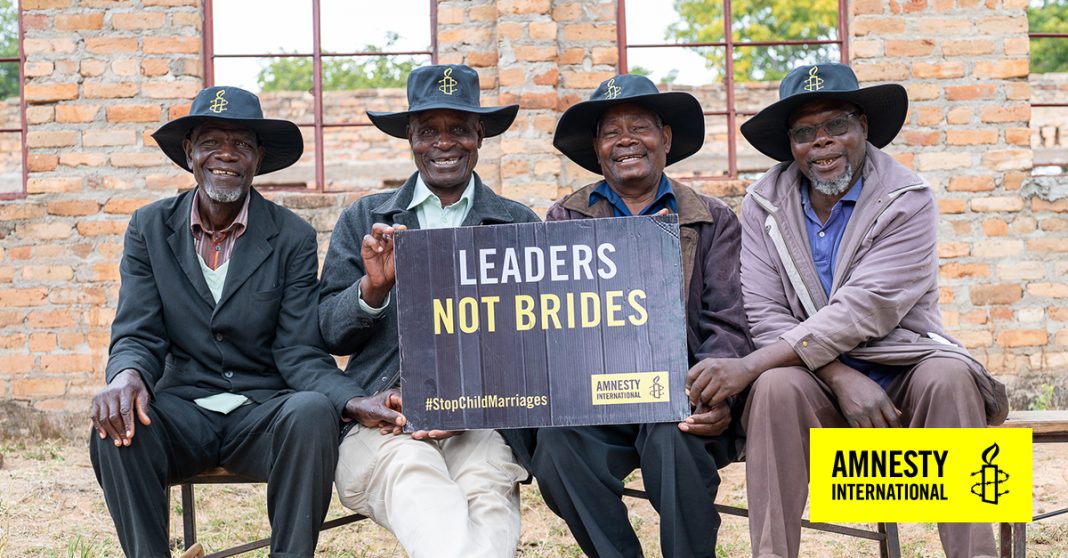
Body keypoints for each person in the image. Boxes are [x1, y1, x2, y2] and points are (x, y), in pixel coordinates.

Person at [686, 63, 1009, 558]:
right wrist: (838, 376)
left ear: (862, 127)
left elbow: (868, 308)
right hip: (811, 380)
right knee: (772, 387)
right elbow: (764, 312)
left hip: (904, 365)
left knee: (948, 377)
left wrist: (748, 365)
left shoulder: (908, 198)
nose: (823, 142)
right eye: (805, 132)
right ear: (791, 144)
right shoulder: (761, 205)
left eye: (837, 125)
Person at [88, 86, 368, 558]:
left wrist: (353, 399)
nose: (226, 155)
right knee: (116, 424)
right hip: (183, 409)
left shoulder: (291, 236)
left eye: (241, 144)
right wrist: (126, 376)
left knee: (311, 412)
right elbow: (139, 331)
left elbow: (299, 350)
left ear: (258, 157)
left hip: (261, 412)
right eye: (212, 141)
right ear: (189, 152)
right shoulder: (149, 228)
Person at [519, 74, 753, 558]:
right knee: (558, 451)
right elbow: (552, 321)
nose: (625, 140)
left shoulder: (710, 217)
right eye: (610, 132)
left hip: (681, 395)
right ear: (598, 150)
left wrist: (714, 388)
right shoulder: (565, 219)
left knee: (674, 437)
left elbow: (728, 318)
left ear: (665, 139)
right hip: (597, 398)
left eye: (640, 127)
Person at [318, 64, 538, 558]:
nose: (444, 143)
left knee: (488, 493)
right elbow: (328, 333)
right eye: (428, 131)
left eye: (459, 129)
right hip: (384, 419)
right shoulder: (367, 219)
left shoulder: (515, 224)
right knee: (420, 483)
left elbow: (536, 346)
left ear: (479, 135)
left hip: (480, 423)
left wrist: (476, 403)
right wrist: (371, 291)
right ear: (410, 139)